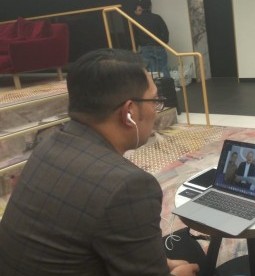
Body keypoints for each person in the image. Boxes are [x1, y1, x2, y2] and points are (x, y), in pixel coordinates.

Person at [0, 48, 199, 276]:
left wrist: (161, 264)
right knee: (192, 256)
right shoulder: (128, 186)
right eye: (154, 100)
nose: (156, 110)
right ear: (129, 112)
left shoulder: (48, 145)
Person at [135, 0, 170, 78]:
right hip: (158, 46)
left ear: (141, 7)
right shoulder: (157, 17)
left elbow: (135, 36)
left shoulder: (137, 20)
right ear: (150, 6)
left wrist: (140, 44)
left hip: (145, 48)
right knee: (163, 68)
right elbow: (165, 32)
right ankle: (168, 89)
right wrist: (163, 42)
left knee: (149, 72)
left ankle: (153, 89)